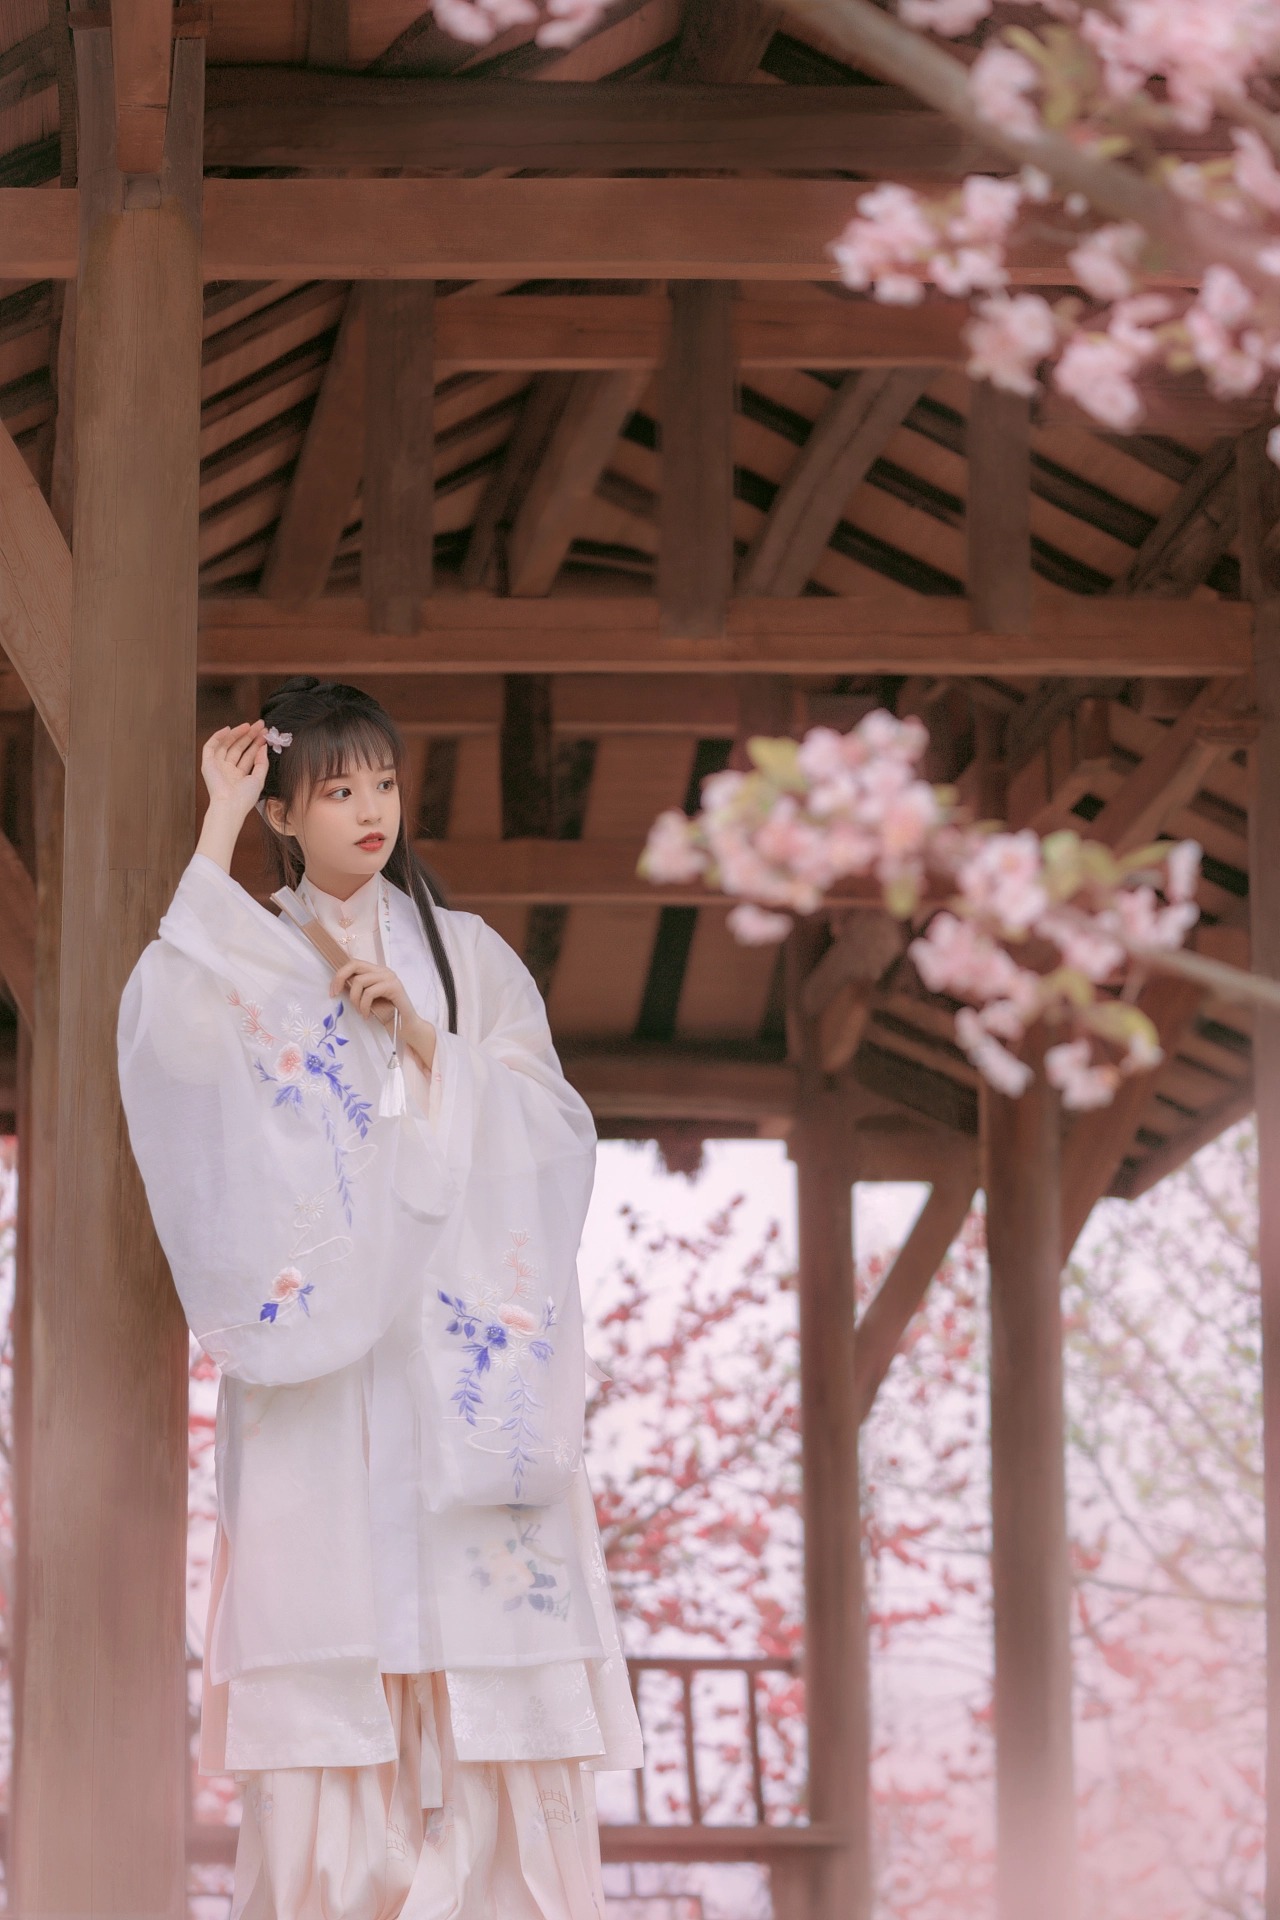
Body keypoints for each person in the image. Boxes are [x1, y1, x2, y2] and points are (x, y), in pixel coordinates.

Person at [117, 676, 643, 1920]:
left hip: (449, 1366)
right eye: (336, 791)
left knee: (494, 1701)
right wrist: (213, 821)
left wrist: (418, 1038)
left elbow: (554, 1129)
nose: (370, 811)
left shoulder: (466, 962)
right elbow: (171, 1046)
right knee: (330, 1700)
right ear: (285, 815)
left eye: (384, 785)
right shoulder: (249, 947)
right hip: (325, 1381)